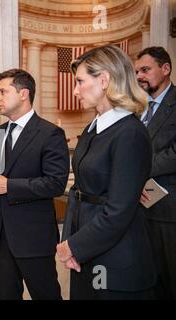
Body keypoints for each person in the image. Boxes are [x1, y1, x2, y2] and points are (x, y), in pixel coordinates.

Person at [58, 45, 156, 300]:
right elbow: (78, 192)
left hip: (117, 260)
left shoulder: (130, 133)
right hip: (87, 253)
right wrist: (69, 242)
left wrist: (75, 246)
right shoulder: (93, 127)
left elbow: (119, 210)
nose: (75, 90)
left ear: (104, 80)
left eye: (80, 82)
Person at [0, 69, 69, 300]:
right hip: (1, 236)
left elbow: (55, 184)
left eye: (2, 92)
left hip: (34, 236)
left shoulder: (50, 134)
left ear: (23, 93)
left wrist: (9, 186)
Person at [135, 46, 176, 299]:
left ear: (166, 69)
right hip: (140, 209)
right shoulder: (138, 109)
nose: (139, 75)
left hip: (169, 211)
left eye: (145, 69)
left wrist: (135, 168)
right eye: (137, 71)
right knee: (149, 277)